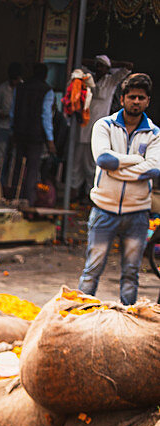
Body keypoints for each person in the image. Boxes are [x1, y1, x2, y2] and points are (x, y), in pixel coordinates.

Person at [78, 73, 160, 305]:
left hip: (138, 214)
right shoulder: (104, 125)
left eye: (141, 98)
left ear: (147, 101)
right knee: (92, 270)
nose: (136, 101)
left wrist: (119, 167)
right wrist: (137, 159)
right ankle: (78, 316)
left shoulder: (154, 134)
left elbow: (154, 171)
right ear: (122, 99)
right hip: (104, 209)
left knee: (131, 274)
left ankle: (129, 321)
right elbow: (103, 160)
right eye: (132, 97)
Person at [78, 55, 132, 195]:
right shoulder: (88, 77)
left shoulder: (111, 81)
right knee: (78, 162)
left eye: (103, 67)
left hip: (98, 127)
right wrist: (97, 62)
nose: (100, 69)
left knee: (93, 164)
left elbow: (128, 66)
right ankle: (74, 192)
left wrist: (110, 63)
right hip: (82, 126)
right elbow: (80, 61)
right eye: (98, 66)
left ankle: (90, 192)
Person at [9, 62, 56, 206]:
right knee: (32, 169)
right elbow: (46, 116)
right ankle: (28, 201)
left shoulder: (20, 88)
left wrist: (13, 130)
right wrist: (50, 140)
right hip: (36, 136)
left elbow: (13, 111)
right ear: (46, 75)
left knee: (18, 166)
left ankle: (14, 197)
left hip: (20, 132)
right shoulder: (47, 91)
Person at [0, 62, 23, 187]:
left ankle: (10, 186)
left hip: (18, 128)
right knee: (1, 157)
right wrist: (1, 114)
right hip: (4, 126)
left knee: (15, 159)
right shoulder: (3, 88)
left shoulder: (23, 88)